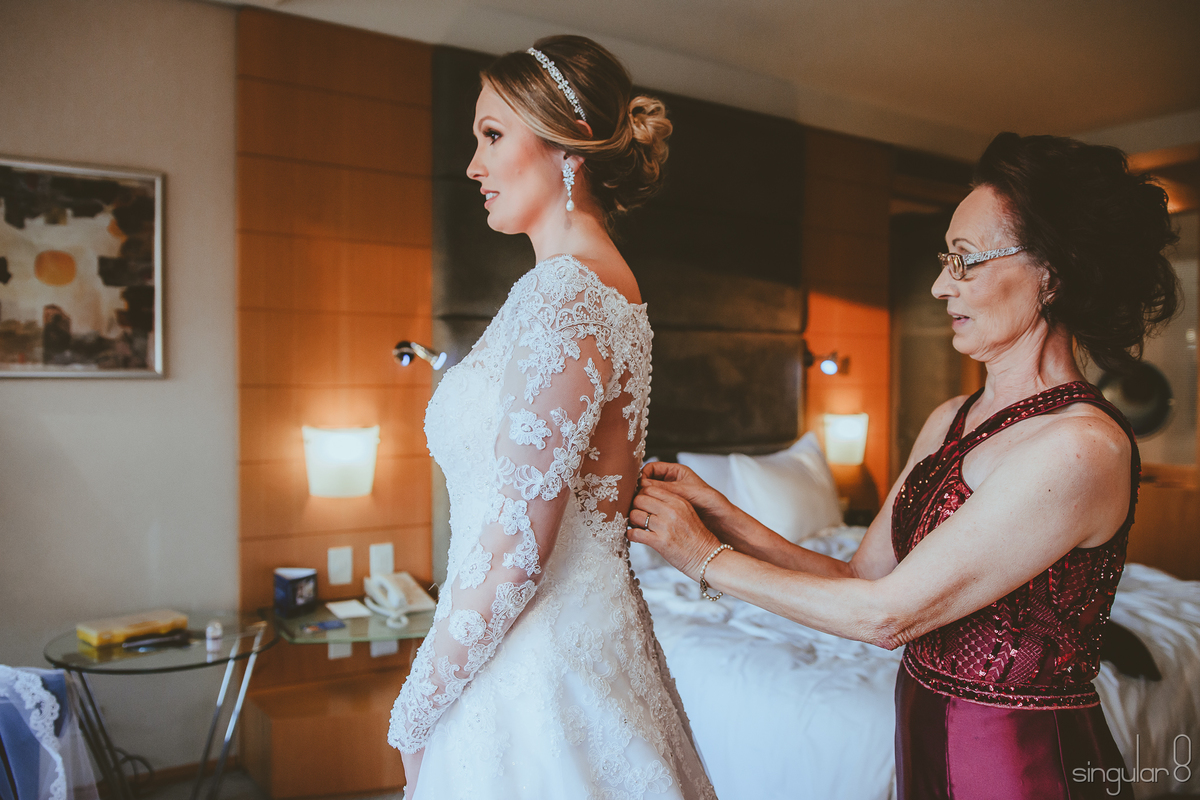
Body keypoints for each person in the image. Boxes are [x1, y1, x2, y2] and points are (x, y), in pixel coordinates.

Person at [630, 132, 1179, 800]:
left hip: (1017, 766)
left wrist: (703, 560)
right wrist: (724, 516)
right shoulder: (950, 416)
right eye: (944, 259)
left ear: (1052, 275)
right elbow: (863, 575)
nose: (939, 285)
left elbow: (885, 616)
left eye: (965, 261)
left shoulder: (1080, 446)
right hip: (922, 733)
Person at [387, 35, 715, 800]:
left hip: (537, 665)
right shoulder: (595, 290)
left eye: (492, 136)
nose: (473, 165)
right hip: (565, 645)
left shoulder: (566, 296)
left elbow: (513, 555)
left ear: (567, 151)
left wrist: (414, 711)